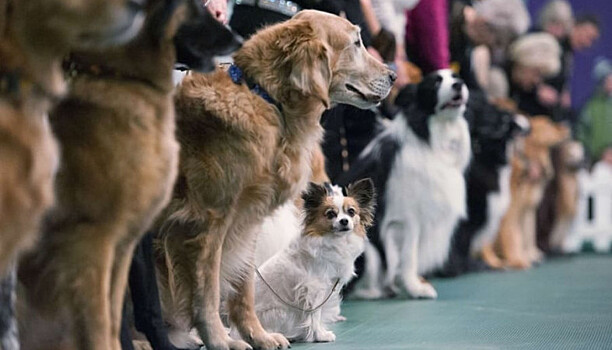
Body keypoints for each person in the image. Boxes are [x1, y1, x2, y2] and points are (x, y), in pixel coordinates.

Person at [449, 0, 530, 91]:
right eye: (497, 42)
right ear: (484, 23)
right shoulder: (451, 15)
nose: (492, 47)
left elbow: (472, 85)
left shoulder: (466, 45)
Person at [532, 13, 601, 120]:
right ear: (575, 26)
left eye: (592, 41)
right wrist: (537, 88)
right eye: (588, 37)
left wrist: (563, 92)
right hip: (531, 103)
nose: (588, 44)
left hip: (550, 111)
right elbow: (524, 67)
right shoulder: (551, 39)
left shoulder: (568, 53)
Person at [507, 33, 562, 114]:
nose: (536, 81)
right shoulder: (499, 81)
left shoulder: (530, 93)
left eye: (541, 76)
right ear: (522, 65)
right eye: (536, 73)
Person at [577, 57, 612, 163]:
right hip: (597, 161)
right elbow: (582, 134)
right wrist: (600, 152)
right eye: (607, 80)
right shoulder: (591, 106)